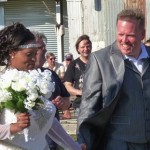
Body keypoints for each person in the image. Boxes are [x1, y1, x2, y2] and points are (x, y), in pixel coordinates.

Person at [0, 22, 85, 150]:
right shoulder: (2, 83)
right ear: (12, 53)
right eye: (29, 54)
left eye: (35, 54)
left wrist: (75, 147)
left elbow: (50, 123)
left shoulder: (37, 80)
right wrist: (13, 127)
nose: (34, 59)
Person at [77, 8, 150, 150]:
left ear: (142, 34)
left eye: (130, 35)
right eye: (120, 34)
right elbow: (88, 104)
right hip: (118, 142)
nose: (124, 40)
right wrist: (83, 139)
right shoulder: (100, 60)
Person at [32, 31, 71, 150]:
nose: (44, 50)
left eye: (45, 47)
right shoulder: (18, 77)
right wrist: (48, 106)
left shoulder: (51, 74)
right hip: (31, 139)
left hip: (52, 137)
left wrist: (63, 104)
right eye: (40, 47)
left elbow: (67, 100)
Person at [64, 34, 92, 115]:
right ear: (78, 49)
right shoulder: (73, 64)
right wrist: (81, 92)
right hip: (81, 104)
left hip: (97, 103)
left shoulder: (97, 62)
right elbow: (68, 86)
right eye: (82, 47)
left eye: (88, 46)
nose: (85, 49)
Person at [62, 52, 74, 119]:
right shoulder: (62, 65)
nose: (68, 61)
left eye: (70, 60)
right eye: (67, 60)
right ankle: (66, 111)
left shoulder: (74, 65)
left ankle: (67, 111)